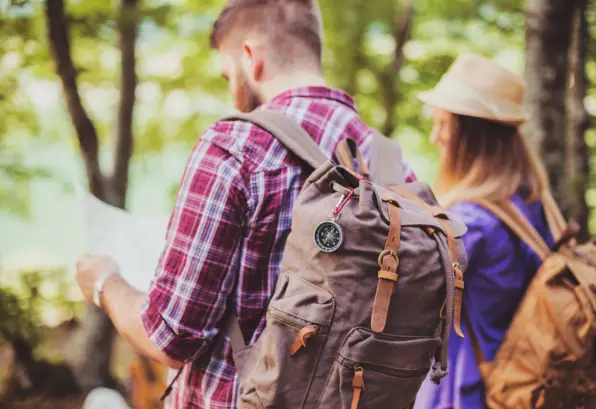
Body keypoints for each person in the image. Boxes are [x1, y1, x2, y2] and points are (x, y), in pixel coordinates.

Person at [74, 1, 416, 408]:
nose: (232, 95)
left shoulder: (233, 147)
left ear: (250, 57)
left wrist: (105, 283)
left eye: (226, 74)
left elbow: (169, 338)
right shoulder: (390, 164)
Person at [411, 53, 554, 409]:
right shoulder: (533, 207)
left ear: (469, 136)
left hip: (465, 393)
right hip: (519, 387)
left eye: (443, 125)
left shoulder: (472, 224)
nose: (434, 137)